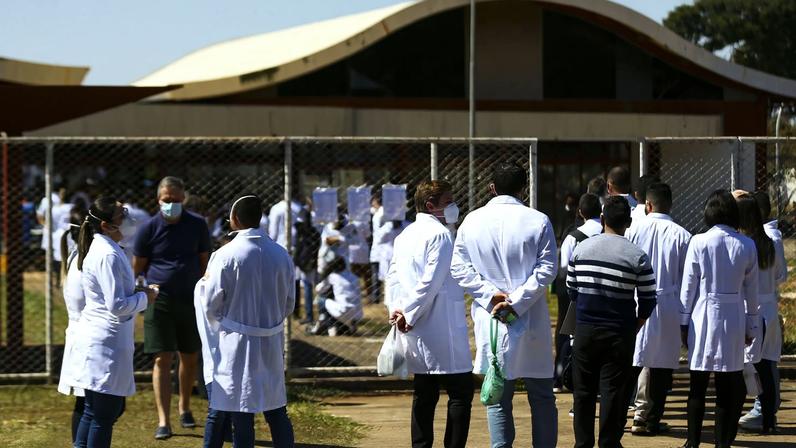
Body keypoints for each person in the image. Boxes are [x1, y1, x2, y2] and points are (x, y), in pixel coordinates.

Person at [451, 163, 558, 448]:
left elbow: (459, 268)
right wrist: (519, 301)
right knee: (542, 396)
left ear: (491, 188)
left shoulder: (471, 221)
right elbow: (547, 269)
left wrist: (490, 296)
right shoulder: (538, 220)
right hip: (530, 316)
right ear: (524, 188)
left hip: (492, 318)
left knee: (497, 396)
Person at [195, 194, 295, 448]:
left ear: (234, 219)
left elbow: (210, 304)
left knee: (241, 411)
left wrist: (225, 324)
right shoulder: (281, 254)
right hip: (270, 340)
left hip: (236, 343)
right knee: (276, 410)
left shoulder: (225, 255)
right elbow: (289, 303)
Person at [566, 196, 657, 448]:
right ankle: (609, 443)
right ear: (628, 223)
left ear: (602, 219)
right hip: (619, 333)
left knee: (583, 392)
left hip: (584, 330)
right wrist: (636, 323)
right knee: (613, 392)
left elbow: (572, 291)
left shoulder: (581, 250)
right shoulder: (637, 255)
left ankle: (582, 443)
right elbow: (649, 298)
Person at [67, 197, 158, 447]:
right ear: (106, 225)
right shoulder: (107, 254)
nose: (129, 219)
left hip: (101, 339)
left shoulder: (105, 248)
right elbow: (117, 306)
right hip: (105, 343)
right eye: (122, 216)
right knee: (104, 415)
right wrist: (146, 297)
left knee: (93, 412)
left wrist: (137, 291)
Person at [389, 180, 473, 448]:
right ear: (430, 206)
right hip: (439, 325)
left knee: (424, 392)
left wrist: (397, 310)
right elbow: (431, 282)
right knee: (460, 392)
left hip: (415, 325)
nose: (453, 207)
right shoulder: (441, 235)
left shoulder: (404, 235)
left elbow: (392, 278)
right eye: (448, 202)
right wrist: (408, 315)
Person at [679, 190, 760, 448]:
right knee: (727, 385)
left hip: (702, 316)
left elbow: (688, 285)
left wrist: (683, 320)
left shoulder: (699, 242)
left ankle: (692, 442)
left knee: (698, 385)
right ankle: (722, 443)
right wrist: (752, 324)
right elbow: (752, 291)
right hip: (733, 317)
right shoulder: (747, 245)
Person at [133, 176, 211, 439]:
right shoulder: (148, 229)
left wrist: (203, 292)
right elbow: (138, 266)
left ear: (183, 199)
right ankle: (163, 421)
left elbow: (204, 261)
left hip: (190, 299)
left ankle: (185, 407)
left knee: (189, 356)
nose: (172, 205)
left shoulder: (197, 225)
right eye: (167, 201)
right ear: (158, 200)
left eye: (177, 201)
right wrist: (143, 294)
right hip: (160, 300)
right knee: (161, 358)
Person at [625, 183, 691, 436]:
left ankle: (629, 413)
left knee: (635, 357)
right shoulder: (682, 235)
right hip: (669, 302)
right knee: (663, 362)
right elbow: (687, 276)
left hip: (636, 297)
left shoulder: (634, 231)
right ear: (670, 204)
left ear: (648, 205)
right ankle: (651, 419)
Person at [734, 193, 784, 434]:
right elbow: (781, 275)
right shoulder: (772, 241)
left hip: (748, 309)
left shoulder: (744, 245)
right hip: (769, 308)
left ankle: (741, 413)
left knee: (743, 366)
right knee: (766, 365)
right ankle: (769, 419)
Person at [554, 193, 602, 393]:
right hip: (602, 292)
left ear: (580, 212)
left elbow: (563, 267)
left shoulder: (573, 237)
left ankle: (561, 376)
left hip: (576, 293)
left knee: (567, 332)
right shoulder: (608, 233)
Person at [56, 205, 88, 444]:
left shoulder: (75, 258)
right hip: (85, 338)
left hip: (81, 336)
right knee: (88, 402)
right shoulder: (83, 265)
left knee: (87, 401)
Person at [309, 255, 363, 336]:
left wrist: (324, 278)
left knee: (321, 300)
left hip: (342, 310)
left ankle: (329, 326)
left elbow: (318, 289)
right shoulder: (354, 276)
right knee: (335, 301)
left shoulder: (333, 276)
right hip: (357, 313)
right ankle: (350, 325)